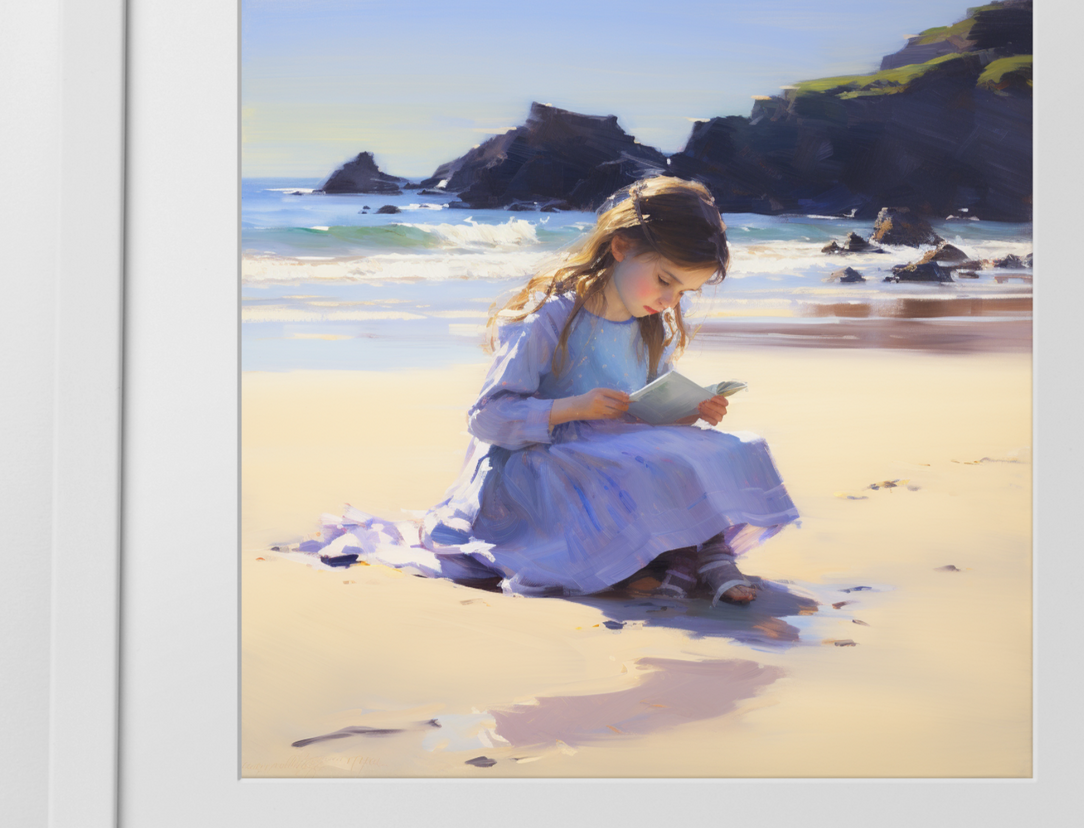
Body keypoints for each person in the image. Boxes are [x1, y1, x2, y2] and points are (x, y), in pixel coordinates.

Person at [311, 177, 800, 604]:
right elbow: (488, 417)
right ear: (622, 248)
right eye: (665, 281)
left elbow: (643, 414)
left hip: (613, 448)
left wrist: (690, 410)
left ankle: (702, 557)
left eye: (683, 292)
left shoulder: (649, 326)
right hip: (540, 459)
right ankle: (684, 560)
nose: (670, 301)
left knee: (735, 447)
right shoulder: (550, 318)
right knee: (654, 465)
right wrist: (573, 407)